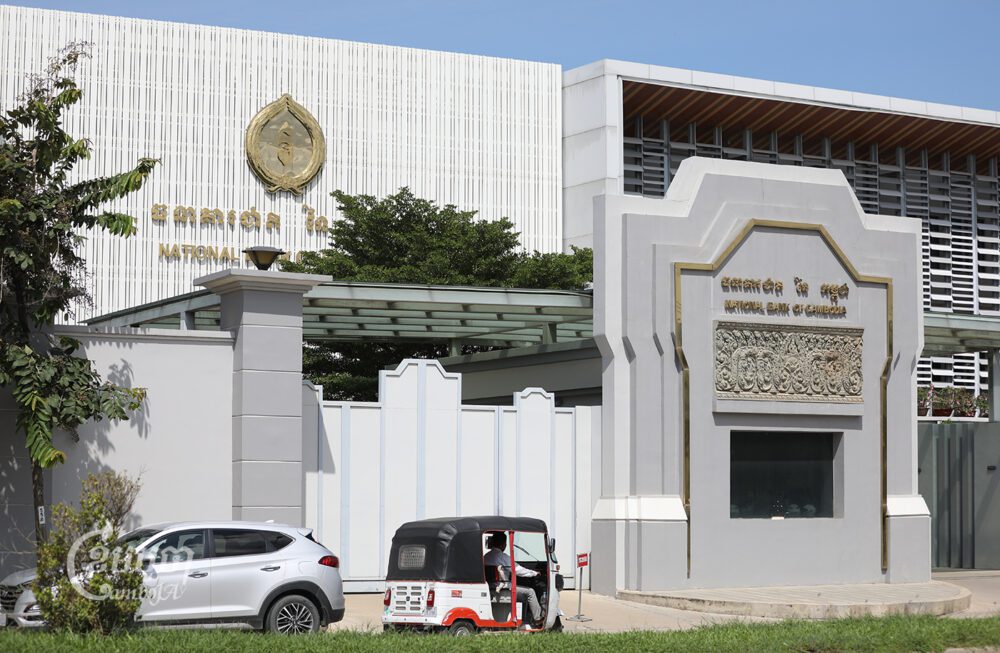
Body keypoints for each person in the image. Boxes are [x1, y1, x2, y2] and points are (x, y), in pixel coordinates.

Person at [484, 532, 542, 625]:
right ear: (503, 544)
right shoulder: (503, 557)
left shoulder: (485, 557)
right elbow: (518, 570)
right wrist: (534, 573)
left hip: (489, 588)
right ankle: (537, 619)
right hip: (504, 590)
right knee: (530, 592)